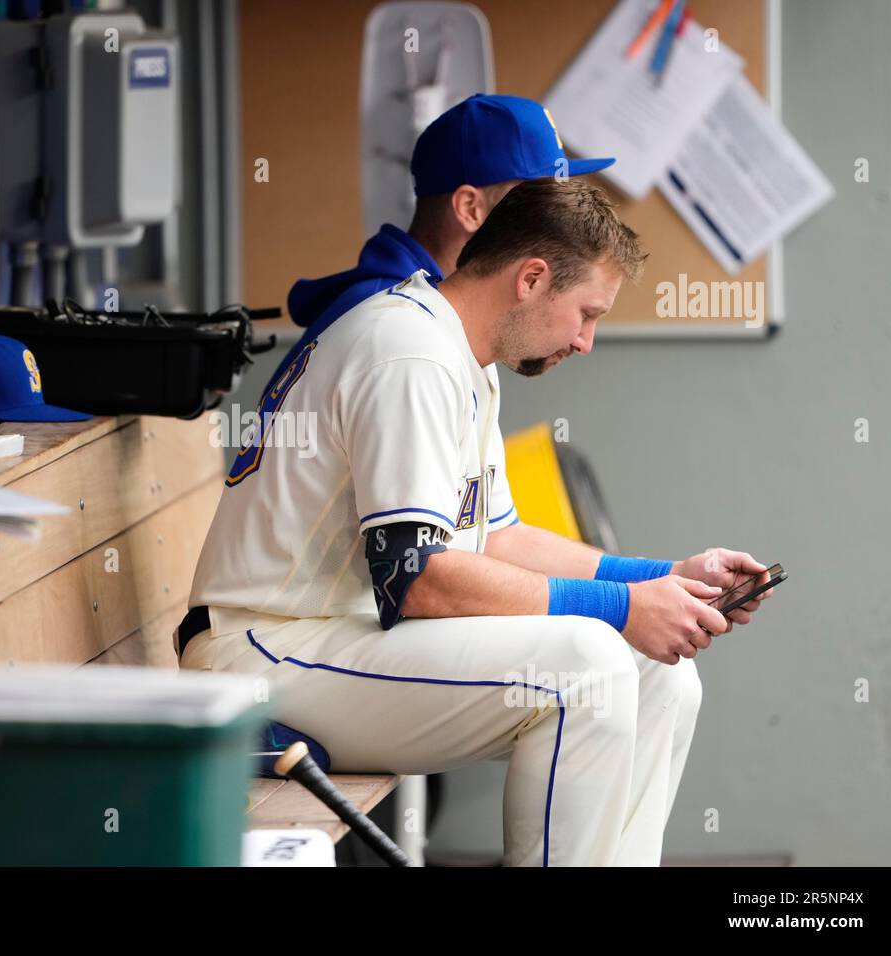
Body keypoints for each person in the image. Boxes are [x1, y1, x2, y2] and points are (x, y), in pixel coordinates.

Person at [179, 178, 775, 866]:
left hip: (335, 639)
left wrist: (665, 579)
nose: (586, 341)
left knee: (659, 671)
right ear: (532, 278)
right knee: (589, 666)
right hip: (261, 651)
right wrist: (622, 607)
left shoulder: (462, 354)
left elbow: (498, 539)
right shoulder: (408, 351)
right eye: (586, 313)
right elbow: (415, 582)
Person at [260, 93, 616, 398]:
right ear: (469, 208)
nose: (555, 219)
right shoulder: (397, 327)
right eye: (538, 200)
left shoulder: (440, 307)